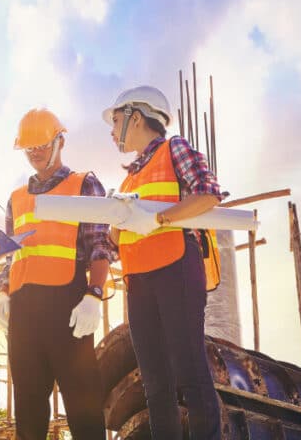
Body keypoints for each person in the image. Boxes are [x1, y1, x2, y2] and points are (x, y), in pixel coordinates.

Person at [102, 85, 223, 439]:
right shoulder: (128, 179)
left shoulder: (175, 149)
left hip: (176, 269)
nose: (111, 130)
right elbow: (116, 244)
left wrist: (158, 220)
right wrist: (112, 227)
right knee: (154, 381)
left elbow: (208, 194)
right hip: (139, 281)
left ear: (136, 118)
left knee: (189, 371)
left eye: (116, 120)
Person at [0, 108, 112, 440]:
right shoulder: (16, 198)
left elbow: (99, 244)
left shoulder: (83, 184)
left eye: (42, 146)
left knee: (83, 407)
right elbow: (11, 256)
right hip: (24, 313)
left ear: (60, 141)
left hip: (68, 307)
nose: (35, 154)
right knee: (29, 412)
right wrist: (3, 290)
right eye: (29, 149)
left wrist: (95, 294)